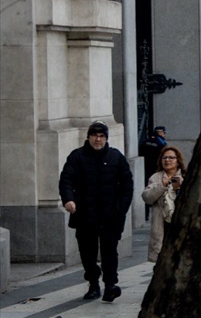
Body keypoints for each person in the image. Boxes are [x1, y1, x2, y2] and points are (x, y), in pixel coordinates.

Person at [59, 121, 135, 301]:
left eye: (101, 136)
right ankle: (93, 283)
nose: (98, 139)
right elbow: (66, 180)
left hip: (110, 215)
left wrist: (120, 209)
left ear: (106, 138)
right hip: (85, 215)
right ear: (89, 137)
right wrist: (68, 199)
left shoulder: (116, 157)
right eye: (95, 136)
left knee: (110, 251)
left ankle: (110, 285)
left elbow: (127, 185)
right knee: (87, 252)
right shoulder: (77, 157)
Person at [140, 145, 187, 263]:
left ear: (178, 161)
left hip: (180, 223)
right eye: (164, 158)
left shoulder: (186, 176)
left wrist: (179, 188)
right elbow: (147, 197)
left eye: (171, 157)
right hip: (163, 224)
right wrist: (162, 185)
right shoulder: (156, 178)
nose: (167, 160)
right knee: (163, 260)